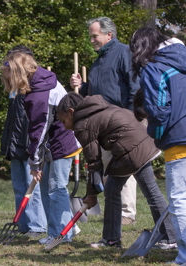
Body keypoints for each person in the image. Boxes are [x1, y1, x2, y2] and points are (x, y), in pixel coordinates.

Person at [57, 92, 176, 249]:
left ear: (71, 112)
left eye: (63, 120)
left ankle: (169, 238)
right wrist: (92, 193)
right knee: (115, 190)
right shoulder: (99, 107)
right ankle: (112, 239)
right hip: (141, 143)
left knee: (150, 192)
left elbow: (94, 161)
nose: (64, 126)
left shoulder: (82, 124)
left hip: (133, 150)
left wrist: (91, 195)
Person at [131, 27, 186, 264]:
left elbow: (158, 110)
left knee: (179, 199)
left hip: (180, 140)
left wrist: (156, 135)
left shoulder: (154, 68)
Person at [1, 52, 82, 245]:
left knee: (56, 188)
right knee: (47, 188)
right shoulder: (39, 80)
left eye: (9, 77)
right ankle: (56, 231)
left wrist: (35, 162)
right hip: (52, 143)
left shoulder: (40, 94)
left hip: (63, 143)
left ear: (19, 73)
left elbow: (39, 130)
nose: (8, 82)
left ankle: (63, 235)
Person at [70, 16, 138, 226]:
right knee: (109, 166)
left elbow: (135, 85)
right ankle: (115, 208)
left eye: (95, 36)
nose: (91, 40)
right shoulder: (98, 60)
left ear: (109, 35)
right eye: (91, 36)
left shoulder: (124, 53)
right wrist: (82, 87)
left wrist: (131, 115)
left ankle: (126, 213)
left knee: (124, 165)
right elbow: (97, 91)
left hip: (121, 119)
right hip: (103, 121)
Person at [0, 45, 47, 236]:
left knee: (32, 187)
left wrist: (33, 146)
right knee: (19, 187)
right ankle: (24, 224)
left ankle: (37, 225)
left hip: (29, 144)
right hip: (14, 143)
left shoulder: (35, 86)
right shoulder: (14, 87)